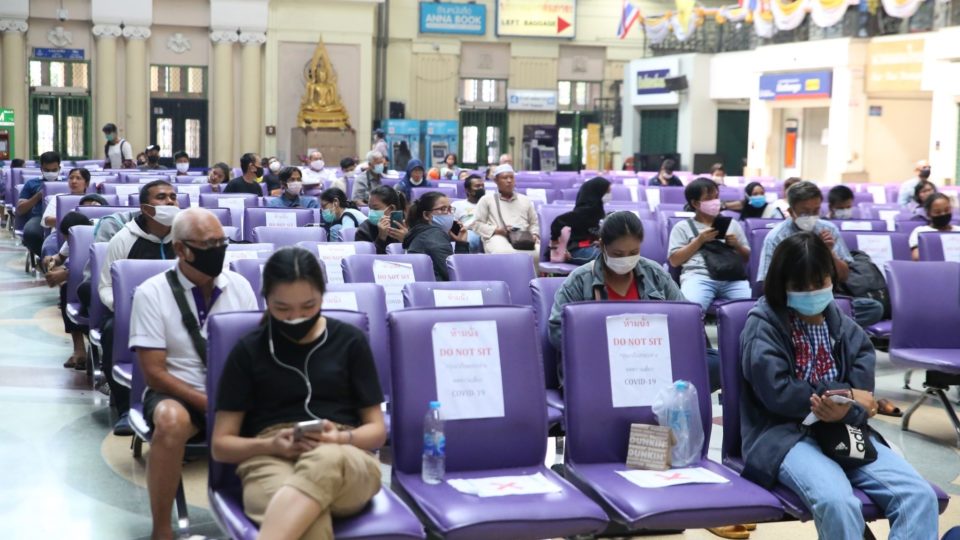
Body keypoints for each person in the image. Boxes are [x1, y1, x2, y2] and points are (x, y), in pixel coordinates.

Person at [740, 231, 938, 539]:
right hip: (783, 435)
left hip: (845, 432)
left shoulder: (846, 328)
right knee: (837, 502)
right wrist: (842, 396)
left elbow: (864, 396)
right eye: (800, 287)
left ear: (831, 278)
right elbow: (778, 393)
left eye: (819, 282)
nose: (812, 293)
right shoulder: (763, 325)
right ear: (782, 285)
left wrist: (846, 410)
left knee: (919, 496)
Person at [212, 246, 385, 540]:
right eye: (283, 309)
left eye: (308, 307)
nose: (296, 318)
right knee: (308, 523)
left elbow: (377, 431)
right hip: (268, 459)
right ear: (266, 300)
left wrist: (339, 439)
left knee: (327, 459)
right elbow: (221, 445)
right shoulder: (248, 351)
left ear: (322, 296)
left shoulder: (350, 341)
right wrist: (271, 445)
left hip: (346, 457)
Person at [129, 207, 258, 540]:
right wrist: (207, 402)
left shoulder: (240, 286)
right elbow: (154, 373)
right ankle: (161, 528)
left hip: (232, 390)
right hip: (177, 392)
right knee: (171, 422)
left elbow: (254, 352)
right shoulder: (152, 293)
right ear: (181, 249)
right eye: (209, 244)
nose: (218, 250)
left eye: (222, 242)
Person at [99, 180, 179, 435]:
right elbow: (105, 286)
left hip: (179, 313)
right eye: (162, 197)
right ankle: (126, 407)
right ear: (145, 208)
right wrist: (123, 308)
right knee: (112, 330)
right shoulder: (124, 239)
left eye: (173, 196)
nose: (170, 201)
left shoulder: (185, 237)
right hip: (134, 315)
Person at [758, 181, 883, 327]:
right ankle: (827, 325)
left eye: (816, 211)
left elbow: (844, 276)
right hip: (794, 298)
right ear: (791, 212)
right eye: (805, 212)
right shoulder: (777, 237)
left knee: (873, 308)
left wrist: (828, 251)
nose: (811, 216)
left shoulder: (828, 230)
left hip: (826, 298)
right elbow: (767, 284)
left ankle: (820, 324)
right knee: (772, 313)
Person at [668, 178, 751, 314]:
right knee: (690, 312)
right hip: (698, 277)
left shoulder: (732, 224)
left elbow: (747, 258)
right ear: (695, 203)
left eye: (716, 197)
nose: (715, 202)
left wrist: (737, 245)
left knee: (749, 311)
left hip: (732, 277)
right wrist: (699, 241)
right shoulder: (682, 227)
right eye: (709, 198)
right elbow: (674, 261)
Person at [43, 211, 95, 370]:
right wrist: (51, 260)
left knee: (74, 287)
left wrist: (65, 274)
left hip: (100, 280)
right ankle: (79, 350)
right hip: (83, 280)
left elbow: (96, 266)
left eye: (68, 239)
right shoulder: (73, 236)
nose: (67, 242)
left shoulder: (99, 234)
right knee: (67, 289)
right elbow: (61, 257)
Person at [471, 164, 540, 260]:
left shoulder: (525, 200)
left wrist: (534, 234)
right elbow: (476, 224)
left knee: (538, 253)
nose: (509, 181)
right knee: (504, 253)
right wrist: (497, 230)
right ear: (496, 181)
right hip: (497, 236)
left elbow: (534, 223)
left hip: (523, 237)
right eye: (505, 178)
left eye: (511, 177)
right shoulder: (486, 200)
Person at [403, 192, 469, 280]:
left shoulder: (421, 232)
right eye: (443, 209)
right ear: (426, 215)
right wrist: (462, 246)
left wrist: (461, 243)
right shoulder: (434, 236)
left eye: (450, 209)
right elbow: (457, 275)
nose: (449, 213)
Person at [549, 177, 610, 265]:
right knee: (608, 258)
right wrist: (554, 240)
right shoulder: (582, 212)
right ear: (598, 192)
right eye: (607, 192)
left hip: (592, 247)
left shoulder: (599, 211)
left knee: (616, 254)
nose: (609, 195)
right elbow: (557, 223)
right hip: (576, 250)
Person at [18, 151, 62, 259]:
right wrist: (37, 196)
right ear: (41, 169)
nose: (50, 173)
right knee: (31, 232)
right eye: (47, 170)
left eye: (54, 170)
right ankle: (44, 259)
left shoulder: (66, 183)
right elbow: (20, 210)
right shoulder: (32, 183)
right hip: (39, 217)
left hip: (61, 216)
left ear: (59, 168)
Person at [354, 185, 406, 254]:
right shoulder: (363, 230)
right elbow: (366, 259)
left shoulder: (405, 227)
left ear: (392, 208)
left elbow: (413, 256)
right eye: (370, 208)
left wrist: (406, 240)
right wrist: (381, 238)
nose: (371, 212)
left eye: (376, 208)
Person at [909, 193, 957, 260]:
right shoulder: (920, 232)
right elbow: (916, 257)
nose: (943, 214)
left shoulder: (958, 230)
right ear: (928, 214)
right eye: (937, 212)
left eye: (946, 210)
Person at [452, 174, 485, 253]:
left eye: (482, 186)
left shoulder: (490, 204)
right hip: (468, 232)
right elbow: (452, 226)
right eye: (477, 186)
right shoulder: (457, 205)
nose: (481, 188)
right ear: (468, 190)